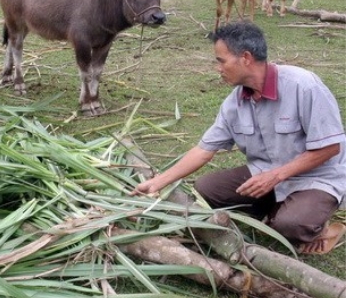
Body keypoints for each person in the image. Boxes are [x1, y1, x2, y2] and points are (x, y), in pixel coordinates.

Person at [132, 21, 346, 255]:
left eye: (221, 61)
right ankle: (277, 208)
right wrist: (158, 182)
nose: (218, 68)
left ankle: (315, 224)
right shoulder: (235, 102)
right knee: (206, 189)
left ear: (245, 58)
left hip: (316, 177)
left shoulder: (303, 86)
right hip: (266, 172)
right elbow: (204, 149)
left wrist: (275, 176)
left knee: (290, 225)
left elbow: (329, 148)